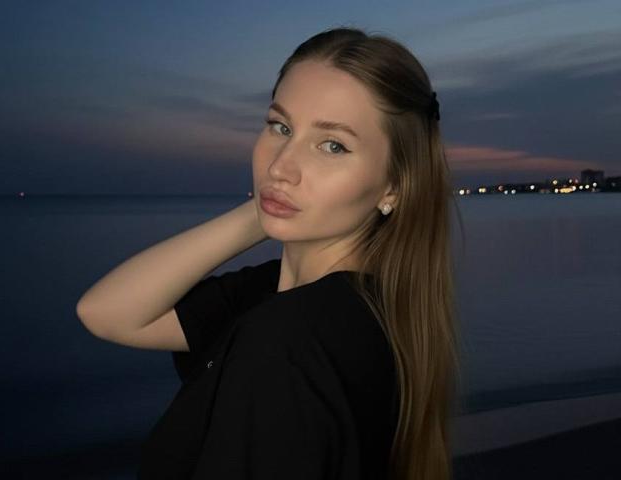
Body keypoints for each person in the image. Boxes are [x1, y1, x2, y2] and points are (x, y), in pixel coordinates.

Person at [76, 26, 461, 480]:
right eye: (281, 127)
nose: (280, 166)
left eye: (333, 145)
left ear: (393, 187)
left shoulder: (287, 342)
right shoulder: (334, 302)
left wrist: (275, 200)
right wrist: (266, 209)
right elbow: (107, 313)